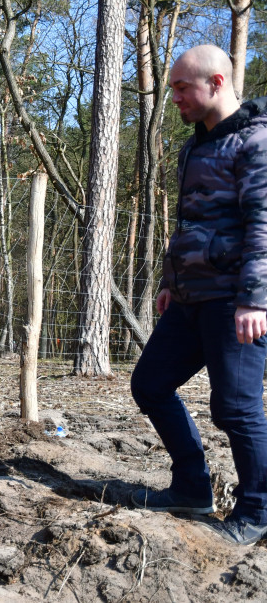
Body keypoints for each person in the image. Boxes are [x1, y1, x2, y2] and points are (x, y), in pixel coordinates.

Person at [130, 44, 267, 545]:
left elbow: (262, 225)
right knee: (150, 383)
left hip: (236, 301)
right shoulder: (194, 146)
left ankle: (258, 510)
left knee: (235, 408)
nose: (176, 99)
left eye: (182, 88)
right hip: (191, 298)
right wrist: (170, 280)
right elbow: (188, 222)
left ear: (216, 83)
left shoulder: (256, 142)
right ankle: (191, 487)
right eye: (172, 89)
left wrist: (256, 299)